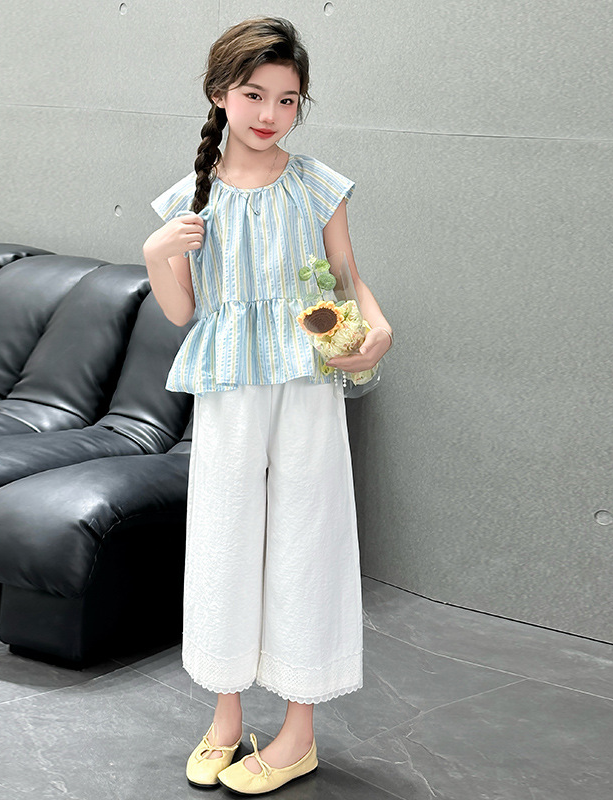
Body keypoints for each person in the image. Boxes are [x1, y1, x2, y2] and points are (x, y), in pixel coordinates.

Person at [142, 16, 393, 795]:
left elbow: (346, 278)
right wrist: (155, 254)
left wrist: (377, 326)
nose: (270, 113)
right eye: (254, 95)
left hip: (309, 380)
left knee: (306, 543)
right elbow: (183, 313)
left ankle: (297, 733)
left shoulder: (318, 184)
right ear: (220, 93)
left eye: (287, 100)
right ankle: (225, 718)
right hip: (229, 388)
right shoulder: (192, 198)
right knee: (223, 542)